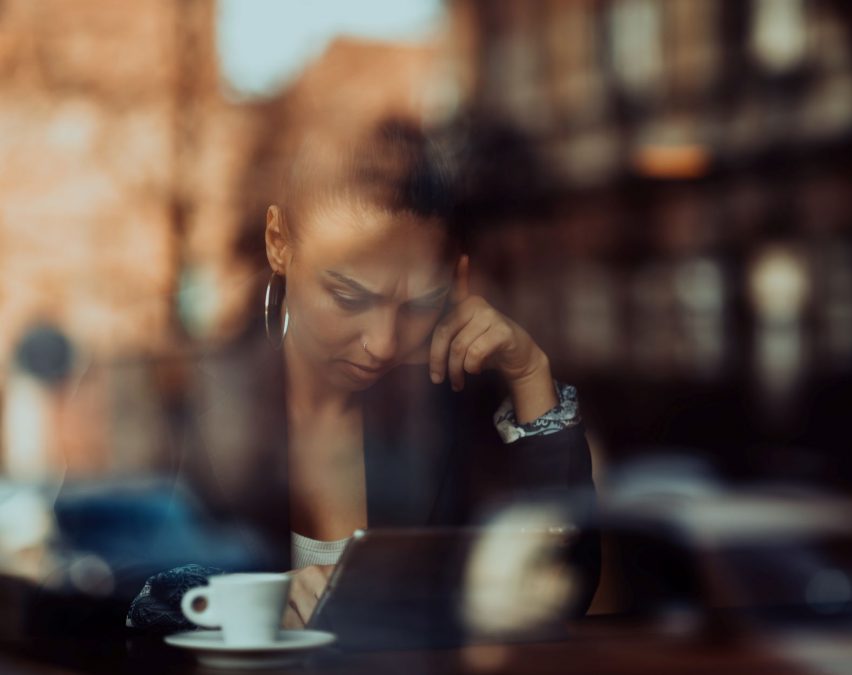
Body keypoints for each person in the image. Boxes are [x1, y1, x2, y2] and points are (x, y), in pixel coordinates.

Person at [125, 119, 597, 632]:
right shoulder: (185, 400)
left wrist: (530, 377)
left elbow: (557, 590)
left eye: (419, 304)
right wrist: (249, 602)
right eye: (350, 297)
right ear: (279, 243)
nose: (385, 342)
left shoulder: (451, 408)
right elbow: (102, 593)